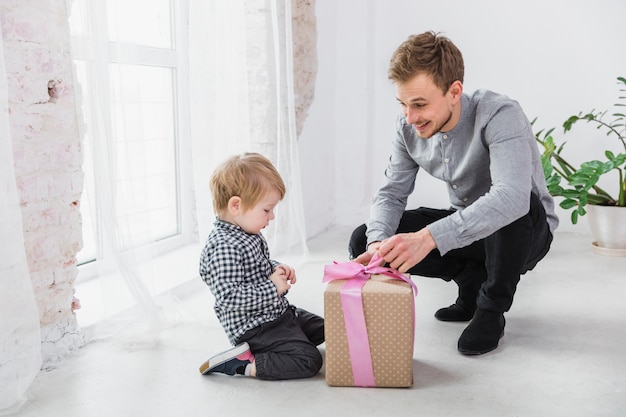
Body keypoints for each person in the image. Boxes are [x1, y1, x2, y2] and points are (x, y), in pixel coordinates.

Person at [350, 31, 559, 355]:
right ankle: (470, 281)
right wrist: (379, 244)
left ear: (454, 91)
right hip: (471, 231)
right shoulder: (408, 126)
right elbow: (391, 193)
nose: (410, 117)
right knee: (364, 236)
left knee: (511, 206)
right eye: (403, 104)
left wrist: (428, 238)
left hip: (526, 232)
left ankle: (491, 311)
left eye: (419, 104)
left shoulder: (499, 114)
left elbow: (512, 197)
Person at [199, 152, 324, 379]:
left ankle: (287, 340)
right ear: (236, 205)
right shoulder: (224, 247)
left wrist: (276, 268)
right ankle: (243, 364)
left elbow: (256, 267)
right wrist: (273, 288)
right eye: (266, 210)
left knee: (327, 328)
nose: (272, 216)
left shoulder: (246, 232)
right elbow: (229, 297)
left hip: (277, 313)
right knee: (309, 359)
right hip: (256, 328)